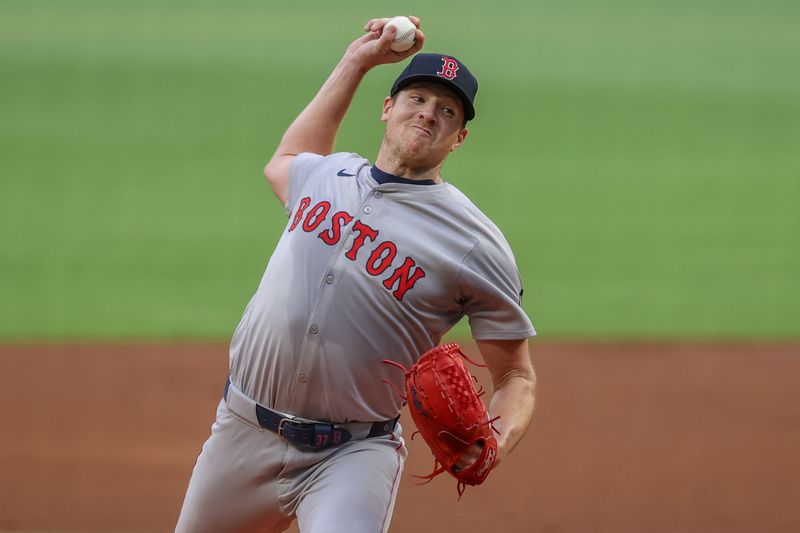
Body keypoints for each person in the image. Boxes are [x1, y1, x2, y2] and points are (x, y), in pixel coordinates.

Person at [176, 16, 537, 533]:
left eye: (447, 110)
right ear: (388, 108)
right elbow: (285, 158)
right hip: (240, 434)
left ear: (459, 137)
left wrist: (494, 446)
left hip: (351, 455)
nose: (429, 114)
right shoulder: (326, 174)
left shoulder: (476, 243)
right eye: (417, 99)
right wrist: (357, 60)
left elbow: (518, 375)